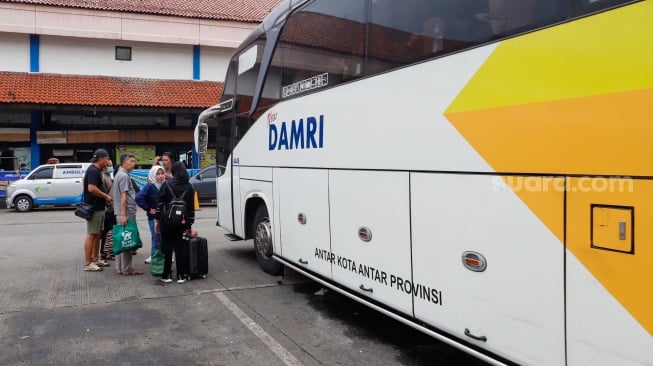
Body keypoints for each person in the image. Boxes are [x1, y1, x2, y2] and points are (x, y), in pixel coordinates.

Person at [155, 161, 195, 284]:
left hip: (167, 222)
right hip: (181, 222)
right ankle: (181, 275)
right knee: (180, 247)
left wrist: (158, 220)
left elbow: (160, 204)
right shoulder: (189, 186)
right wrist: (189, 225)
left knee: (167, 247)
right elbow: (190, 208)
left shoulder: (167, 184)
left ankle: (166, 275)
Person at [112, 153, 144, 276]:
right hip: (125, 212)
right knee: (127, 240)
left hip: (119, 212)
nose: (133, 164)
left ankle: (120, 267)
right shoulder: (124, 176)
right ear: (124, 162)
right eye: (131, 161)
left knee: (121, 239)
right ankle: (127, 268)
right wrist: (124, 214)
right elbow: (124, 196)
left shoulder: (118, 174)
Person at [82, 149, 113, 272]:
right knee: (92, 234)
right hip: (94, 208)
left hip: (99, 208)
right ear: (101, 158)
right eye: (107, 159)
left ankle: (95, 258)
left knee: (98, 234)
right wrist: (106, 196)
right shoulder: (93, 171)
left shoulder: (95, 170)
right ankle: (88, 263)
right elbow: (91, 188)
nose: (108, 161)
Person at [136, 165, 165, 264]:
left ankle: (161, 257)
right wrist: (148, 208)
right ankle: (154, 257)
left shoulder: (165, 185)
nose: (160, 176)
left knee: (162, 238)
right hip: (153, 218)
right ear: (153, 175)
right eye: (158, 174)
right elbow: (138, 198)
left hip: (164, 217)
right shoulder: (150, 186)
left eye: (162, 173)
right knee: (155, 238)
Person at [99, 159, 115, 260]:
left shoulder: (109, 176)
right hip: (107, 209)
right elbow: (102, 194)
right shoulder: (102, 177)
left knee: (109, 231)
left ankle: (107, 251)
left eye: (111, 165)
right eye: (109, 165)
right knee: (107, 232)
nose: (110, 167)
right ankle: (105, 252)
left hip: (111, 208)